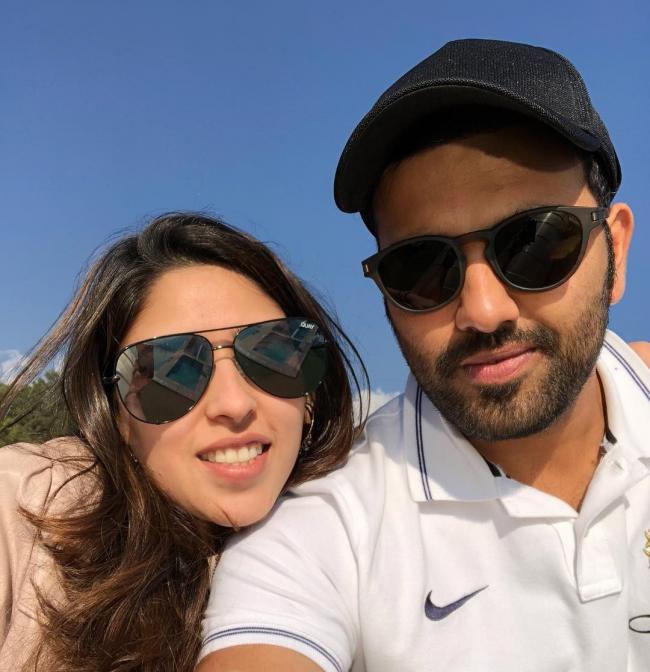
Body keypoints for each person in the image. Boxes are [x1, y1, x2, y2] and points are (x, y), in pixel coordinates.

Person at [198, 39, 650, 671]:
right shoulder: (329, 522)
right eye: (421, 268)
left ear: (617, 253)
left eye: (535, 245)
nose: (483, 310)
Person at [0, 212, 366, 672]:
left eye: (274, 354)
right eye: (170, 372)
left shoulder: (361, 526)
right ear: (116, 414)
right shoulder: (26, 507)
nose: (234, 404)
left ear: (310, 397)